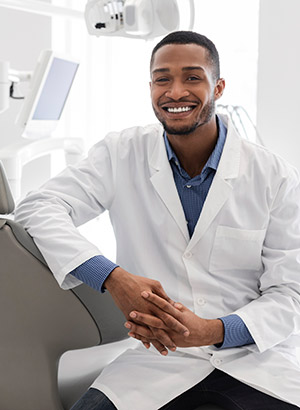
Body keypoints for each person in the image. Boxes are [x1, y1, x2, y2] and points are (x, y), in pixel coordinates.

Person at [15, 31, 300, 410]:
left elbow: (290, 293)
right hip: (157, 362)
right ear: (150, 86)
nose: (175, 91)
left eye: (192, 77)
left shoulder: (272, 175)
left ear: (219, 86)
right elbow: (39, 206)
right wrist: (112, 278)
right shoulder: (121, 153)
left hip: (252, 360)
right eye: (163, 78)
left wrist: (211, 331)